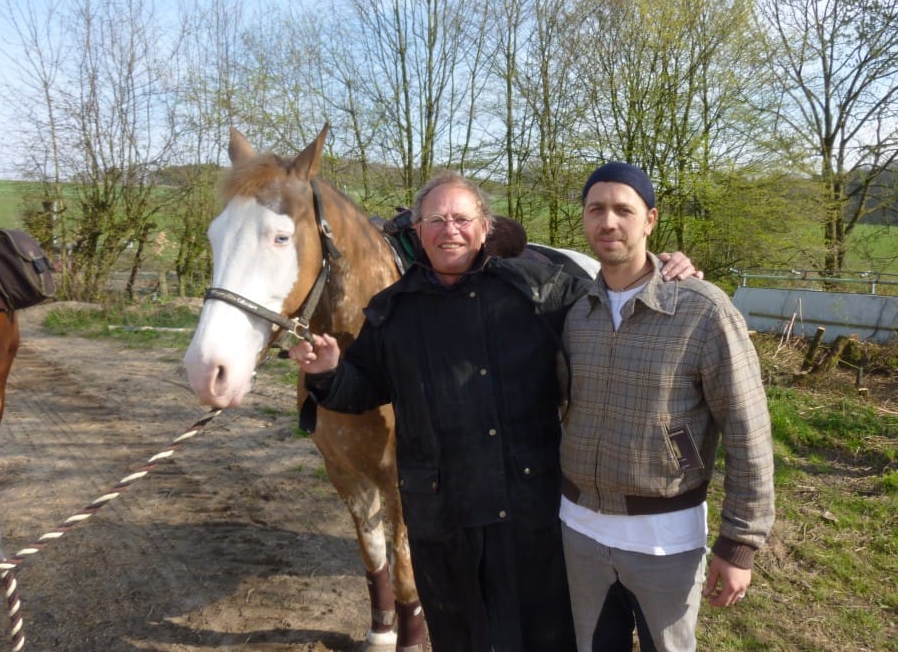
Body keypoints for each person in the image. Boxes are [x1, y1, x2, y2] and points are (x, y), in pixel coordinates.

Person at [289, 170, 698, 652]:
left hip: (528, 513)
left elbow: (615, 304)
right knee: (461, 638)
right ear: (416, 231)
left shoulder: (538, 291)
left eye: (462, 217)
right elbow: (359, 391)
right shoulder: (392, 312)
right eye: (435, 219)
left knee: (546, 637)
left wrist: (661, 268)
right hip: (442, 518)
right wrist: (328, 373)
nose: (450, 229)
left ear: (485, 227)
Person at [558, 162, 775, 652]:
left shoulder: (703, 310)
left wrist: (739, 544)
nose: (608, 222)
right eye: (596, 209)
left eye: (623, 210)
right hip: (580, 533)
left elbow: (748, 432)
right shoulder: (576, 313)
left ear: (650, 220)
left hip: (665, 540)